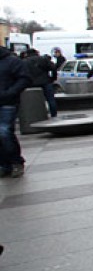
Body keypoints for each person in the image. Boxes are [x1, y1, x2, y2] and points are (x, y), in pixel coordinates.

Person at [0, 44, 32, 178]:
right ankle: (4, 164)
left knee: (4, 132)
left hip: (8, 102)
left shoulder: (12, 61)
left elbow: (25, 79)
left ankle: (16, 162)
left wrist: (10, 93)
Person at [23, 49, 58, 117]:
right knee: (50, 99)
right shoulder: (43, 59)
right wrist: (53, 78)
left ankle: (36, 115)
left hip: (31, 84)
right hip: (45, 81)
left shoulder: (25, 61)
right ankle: (54, 114)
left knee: (33, 100)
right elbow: (53, 68)